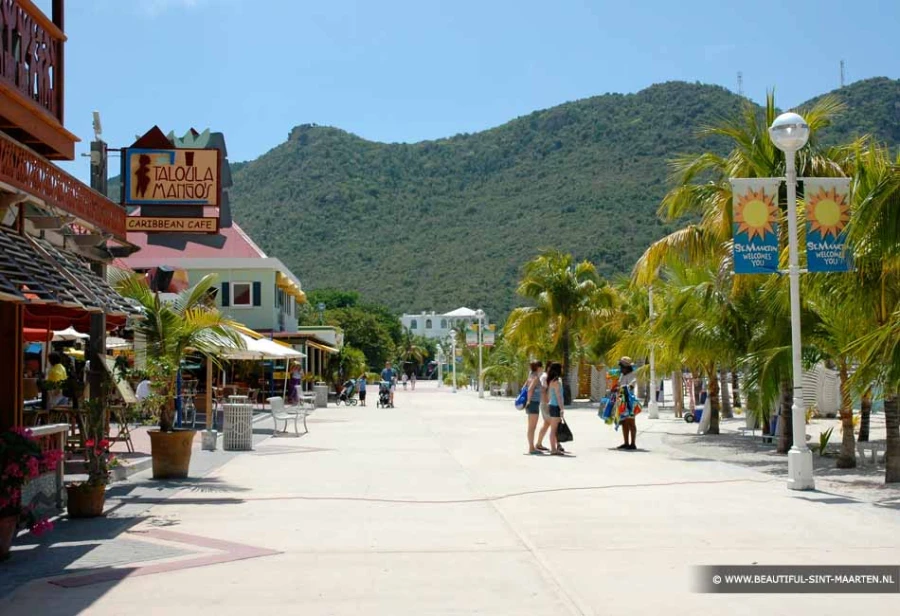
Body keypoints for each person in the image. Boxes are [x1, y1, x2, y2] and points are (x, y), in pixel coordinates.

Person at [616, 357, 640, 450]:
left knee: (631, 422)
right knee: (624, 422)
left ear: (626, 367)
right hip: (621, 401)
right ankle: (626, 443)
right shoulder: (622, 375)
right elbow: (619, 385)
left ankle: (633, 443)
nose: (621, 369)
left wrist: (622, 388)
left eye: (622, 367)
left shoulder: (633, 375)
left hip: (629, 402)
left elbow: (631, 386)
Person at [545, 362, 566, 455]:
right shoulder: (556, 382)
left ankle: (554, 448)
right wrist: (562, 408)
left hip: (552, 405)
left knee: (554, 429)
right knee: (554, 429)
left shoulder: (552, 381)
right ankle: (553, 449)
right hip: (555, 406)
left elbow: (550, 395)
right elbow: (558, 396)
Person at [523, 361, 544, 454]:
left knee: (531, 427)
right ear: (538, 367)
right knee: (532, 427)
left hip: (531, 403)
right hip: (533, 403)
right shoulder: (535, 377)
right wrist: (528, 400)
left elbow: (524, 387)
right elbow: (530, 389)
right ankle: (531, 448)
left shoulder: (530, 376)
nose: (542, 368)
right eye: (541, 367)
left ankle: (531, 447)